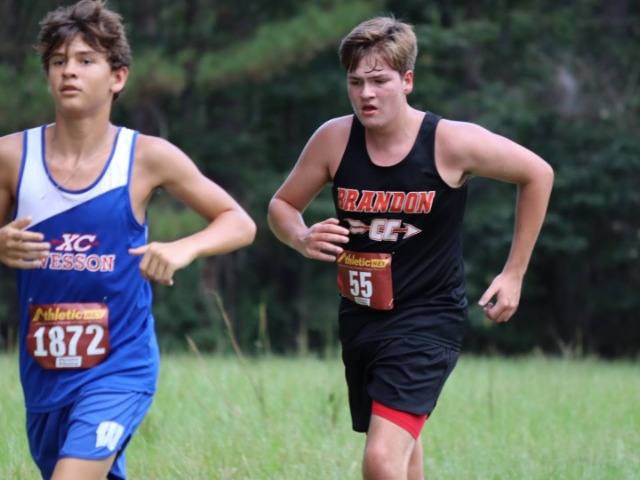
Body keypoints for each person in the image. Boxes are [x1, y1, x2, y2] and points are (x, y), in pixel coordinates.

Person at [268, 16, 553, 480]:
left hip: (428, 317)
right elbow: (282, 205)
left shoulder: (450, 142)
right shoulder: (334, 139)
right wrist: (301, 236)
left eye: (379, 81)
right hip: (361, 315)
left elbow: (537, 173)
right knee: (402, 451)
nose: (366, 94)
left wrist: (514, 271)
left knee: (381, 460)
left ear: (407, 81)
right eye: (355, 82)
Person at [0, 1, 256, 479]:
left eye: (85, 60)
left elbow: (238, 221)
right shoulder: (13, 155)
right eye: (58, 61)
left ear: (118, 77)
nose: (68, 71)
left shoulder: (147, 157)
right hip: (43, 373)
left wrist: (183, 248)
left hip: (120, 365)